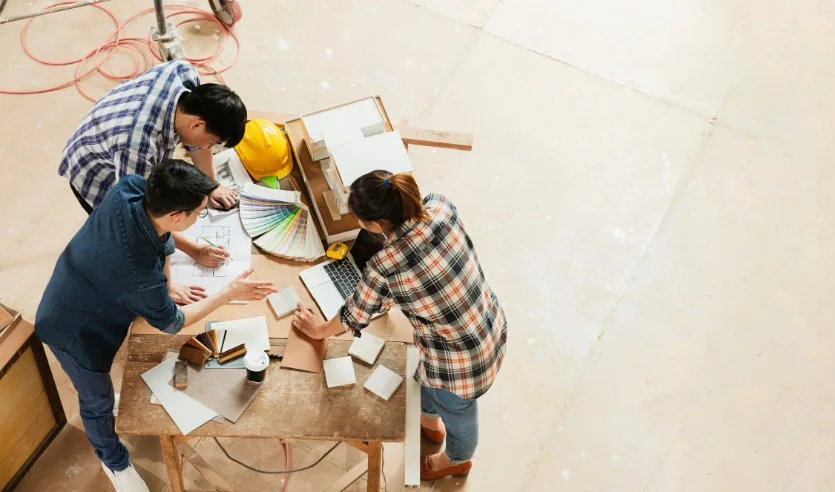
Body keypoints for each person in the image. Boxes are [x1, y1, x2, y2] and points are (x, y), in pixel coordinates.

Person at [35, 160, 277, 492]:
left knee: (104, 393)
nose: (198, 218)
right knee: (97, 402)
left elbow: (159, 236)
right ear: (177, 215)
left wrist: (173, 274)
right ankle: (114, 463)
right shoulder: (135, 273)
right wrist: (229, 293)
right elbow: (174, 322)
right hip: (71, 331)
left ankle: (110, 430)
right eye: (198, 213)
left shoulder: (131, 188)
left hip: (77, 285)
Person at [292, 171, 507, 481]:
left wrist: (317, 330)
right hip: (486, 321)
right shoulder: (439, 206)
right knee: (429, 382)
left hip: (463, 363)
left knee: (459, 411)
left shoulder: (386, 265)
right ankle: (431, 425)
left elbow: (354, 314)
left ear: (375, 225)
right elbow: (428, 267)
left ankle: (458, 459)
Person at [58, 59, 247, 305]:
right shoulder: (138, 146)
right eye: (211, 142)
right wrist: (188, 258)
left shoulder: (184, 74)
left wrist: (211, 184)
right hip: (93, 169)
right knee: (126, 239)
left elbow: (197, 141)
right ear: (197, 123)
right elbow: (148, 217)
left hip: (111, 132)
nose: (208, 148)